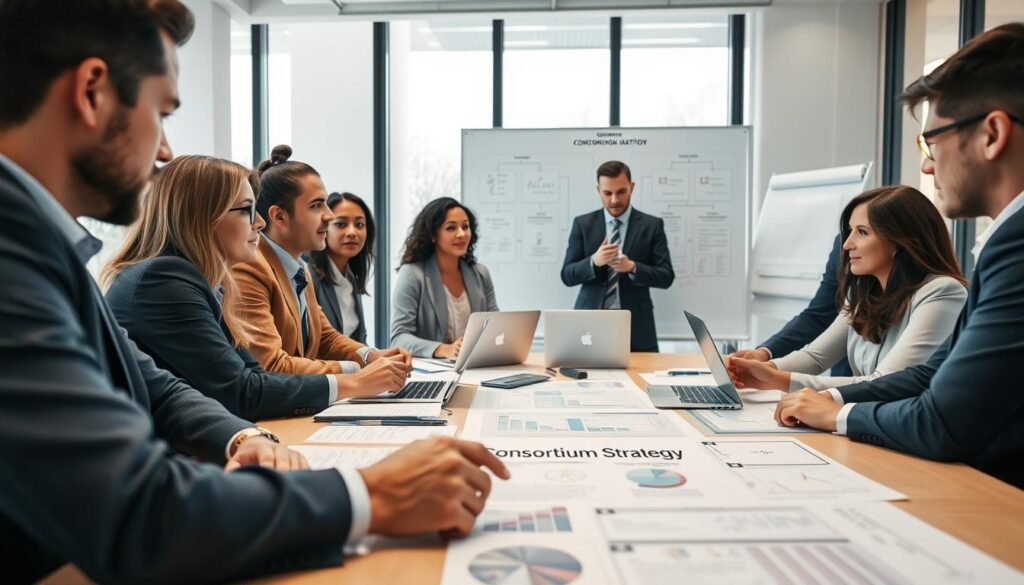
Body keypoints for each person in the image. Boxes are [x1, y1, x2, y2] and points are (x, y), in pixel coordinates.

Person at [0, 2, 508, 582]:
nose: (164, 149)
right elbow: (143, 516)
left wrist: (242, 433)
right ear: (92, 93)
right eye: (161, 113)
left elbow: (155, 387)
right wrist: (369, 495)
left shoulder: (43, 246)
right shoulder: (16, 261)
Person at [774, 23, 1024, 488]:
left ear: (992, 134)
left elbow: (944, 421)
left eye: (932, 143)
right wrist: (826, 399)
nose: (927, 165)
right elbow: (931, 374)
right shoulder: (1003, 243)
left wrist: (838, 416)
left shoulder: (1015, 247)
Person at [104, 156, 385, 419]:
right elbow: (242, 392)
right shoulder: (166, 281)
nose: (259, 223)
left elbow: (252, 377)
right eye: (246, 210)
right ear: (202, 217)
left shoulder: (203, 282)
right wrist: (354, 382)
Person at [727, 186, 967, 391]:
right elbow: (815, 357)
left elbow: (885, 383)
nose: (847, 244)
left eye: (862, 232)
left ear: (900, 241)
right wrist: (760, 369)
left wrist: (778, 379)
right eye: (850, 231)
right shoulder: (864, 295)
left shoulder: (942, 293)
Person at [233, 145, 410, 394]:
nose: (329, 216)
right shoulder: (249, 269)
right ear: (279, 216)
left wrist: (372, 355)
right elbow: (270, 366)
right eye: (317, 206)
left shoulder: (299, 268)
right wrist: (357, 372)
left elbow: (327, 338)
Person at [560, 160, 675, 352]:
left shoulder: (652, 225)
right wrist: (593, 262)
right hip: (589, 325)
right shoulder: (582, 224)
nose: (614, 200)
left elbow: (666, 277)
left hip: (637, 326)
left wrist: (633, 267)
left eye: (621, 191)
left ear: (632, 187)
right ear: (598, 191)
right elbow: (567, 275)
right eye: (607, 193)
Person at [391, 197, 498, 358]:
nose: (461, 234)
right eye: (451, 228)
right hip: (430, 373)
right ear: (433, 235)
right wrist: (443, 349)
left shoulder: (481, 274)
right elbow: (399, 338)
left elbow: (496, 326)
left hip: (476, 367)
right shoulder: (412, 274)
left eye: (465, 226)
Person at [731, 235, 852, 376]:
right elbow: (817, 319)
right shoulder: (855, 302)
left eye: (862, 232)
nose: (847, 244)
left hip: (856, 386)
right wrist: (763, 356)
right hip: (844, 386)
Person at [309, 191, 374, 344]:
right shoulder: (308, 276)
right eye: (340, 224)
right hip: (322, 368)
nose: (352, 232)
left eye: (359, 225)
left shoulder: (351, 278)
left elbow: (359, 343)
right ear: (323, 228)